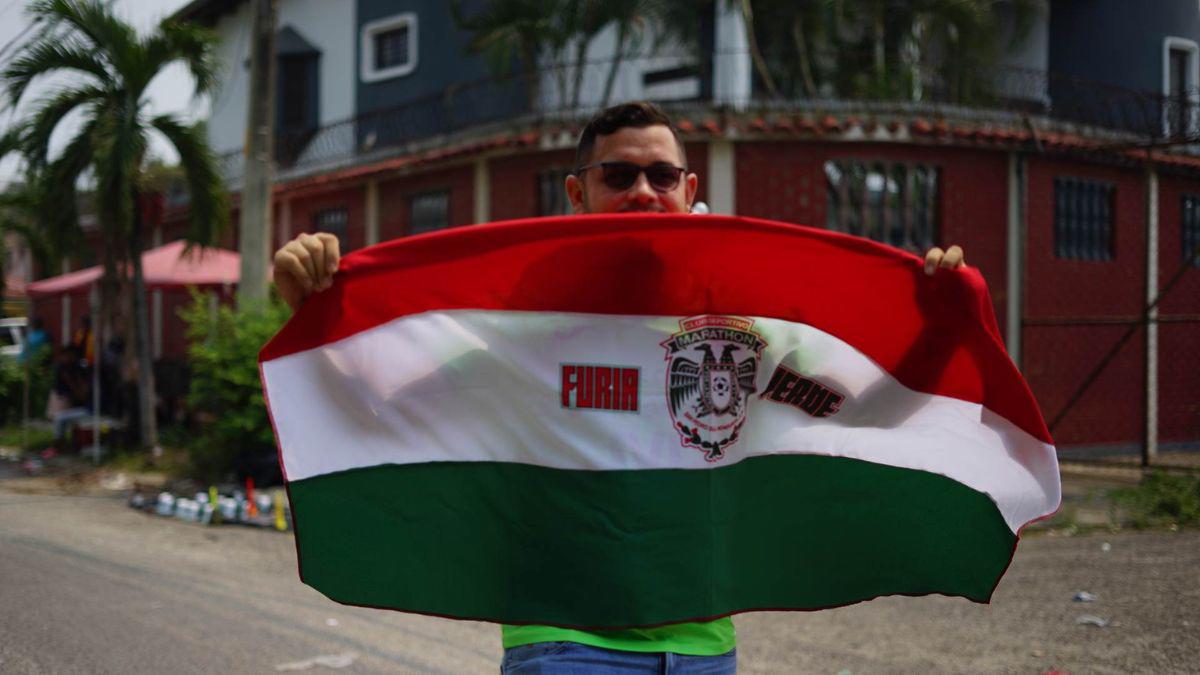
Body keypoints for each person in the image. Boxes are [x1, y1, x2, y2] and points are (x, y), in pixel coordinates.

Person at [272, 101, 965, 673]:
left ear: (690, 192)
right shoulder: (524, 320)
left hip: (701, 652)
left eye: (663, 175)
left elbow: (862, 411)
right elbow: (383, 405)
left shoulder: (742, 323)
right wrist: (317, 309)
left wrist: (937, 328)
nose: (644, 190)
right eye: (620, 174)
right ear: (577, 192)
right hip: (568, 645)